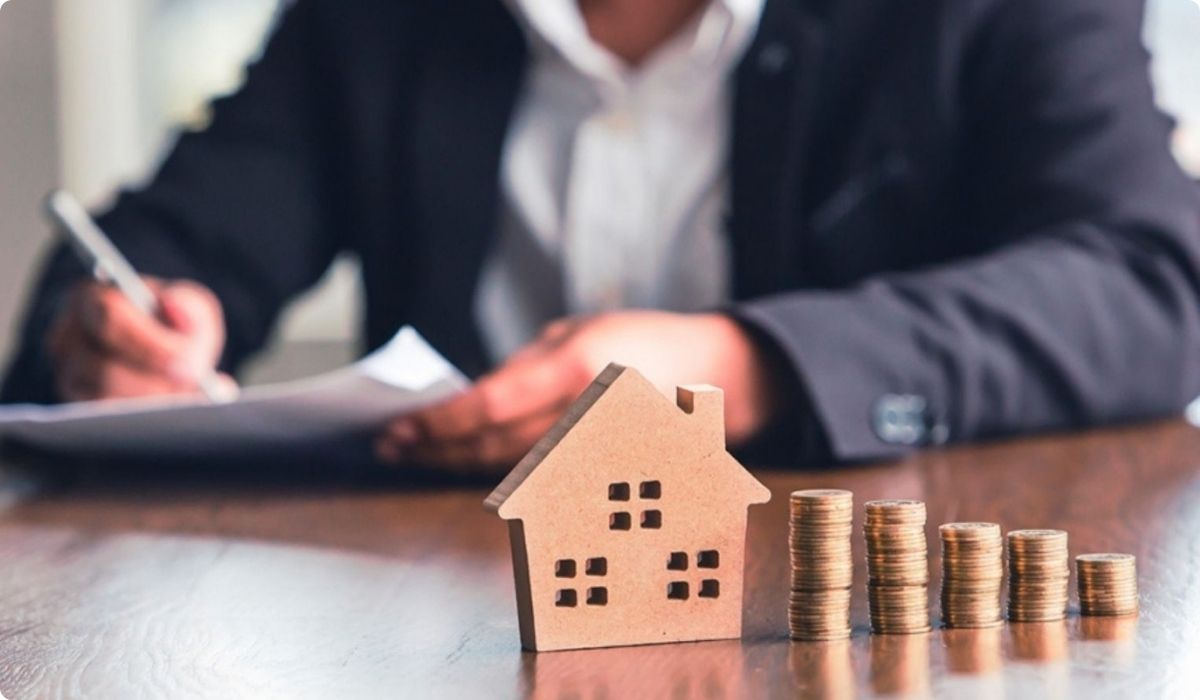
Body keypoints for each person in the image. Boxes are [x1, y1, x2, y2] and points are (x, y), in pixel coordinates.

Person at [4, 0, 1199, 471]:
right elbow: (162, 240)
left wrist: (755, 362)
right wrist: (115, 326)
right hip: (454, 628)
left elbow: (1154, 285)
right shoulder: (372, 18)